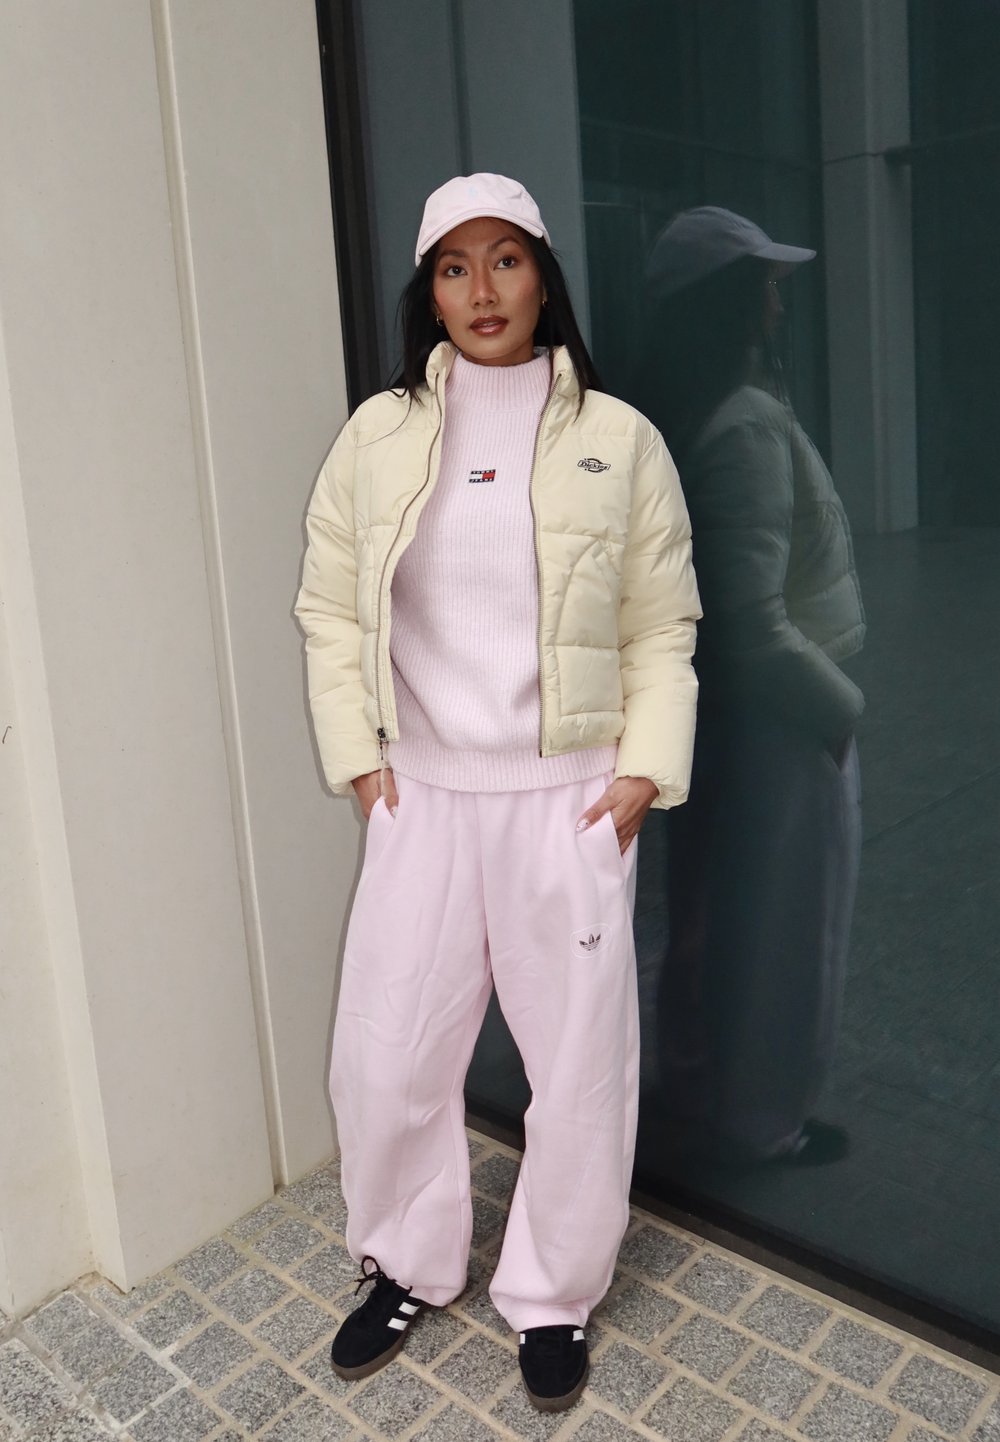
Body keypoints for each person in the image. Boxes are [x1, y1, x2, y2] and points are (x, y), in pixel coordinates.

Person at [295, 173, 700, 1410]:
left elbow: (660, 619)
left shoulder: (618, 437)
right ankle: (405, 1261)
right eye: (454, 266)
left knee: (577, 1066)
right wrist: (359, 758)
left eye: (505, 260)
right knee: (387, 1052)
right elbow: (327, 606)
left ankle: (552, 1291)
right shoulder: (377, 435)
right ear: (428, 291)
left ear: (542, 275)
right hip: (420, 793)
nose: (482, 289)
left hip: (565, 800)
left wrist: (642, 768)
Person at [638, 206, 865, 1168]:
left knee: (724, 910)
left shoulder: (692, 415)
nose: (778, 300)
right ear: (730, 304)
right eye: (763, 284)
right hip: (784, 721)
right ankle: (763, 1121)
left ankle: (704, 1089)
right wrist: (838, 709)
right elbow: (753, 621)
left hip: (738, 717)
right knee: (788, 927)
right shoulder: (745, 425)